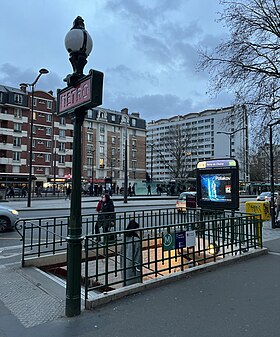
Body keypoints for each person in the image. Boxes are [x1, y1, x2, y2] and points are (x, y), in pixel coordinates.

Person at [121, 220, 142, 286]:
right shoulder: (136, 241)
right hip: (133, 271)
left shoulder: (124, 238)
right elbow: (138, 259)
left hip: (124, 268)